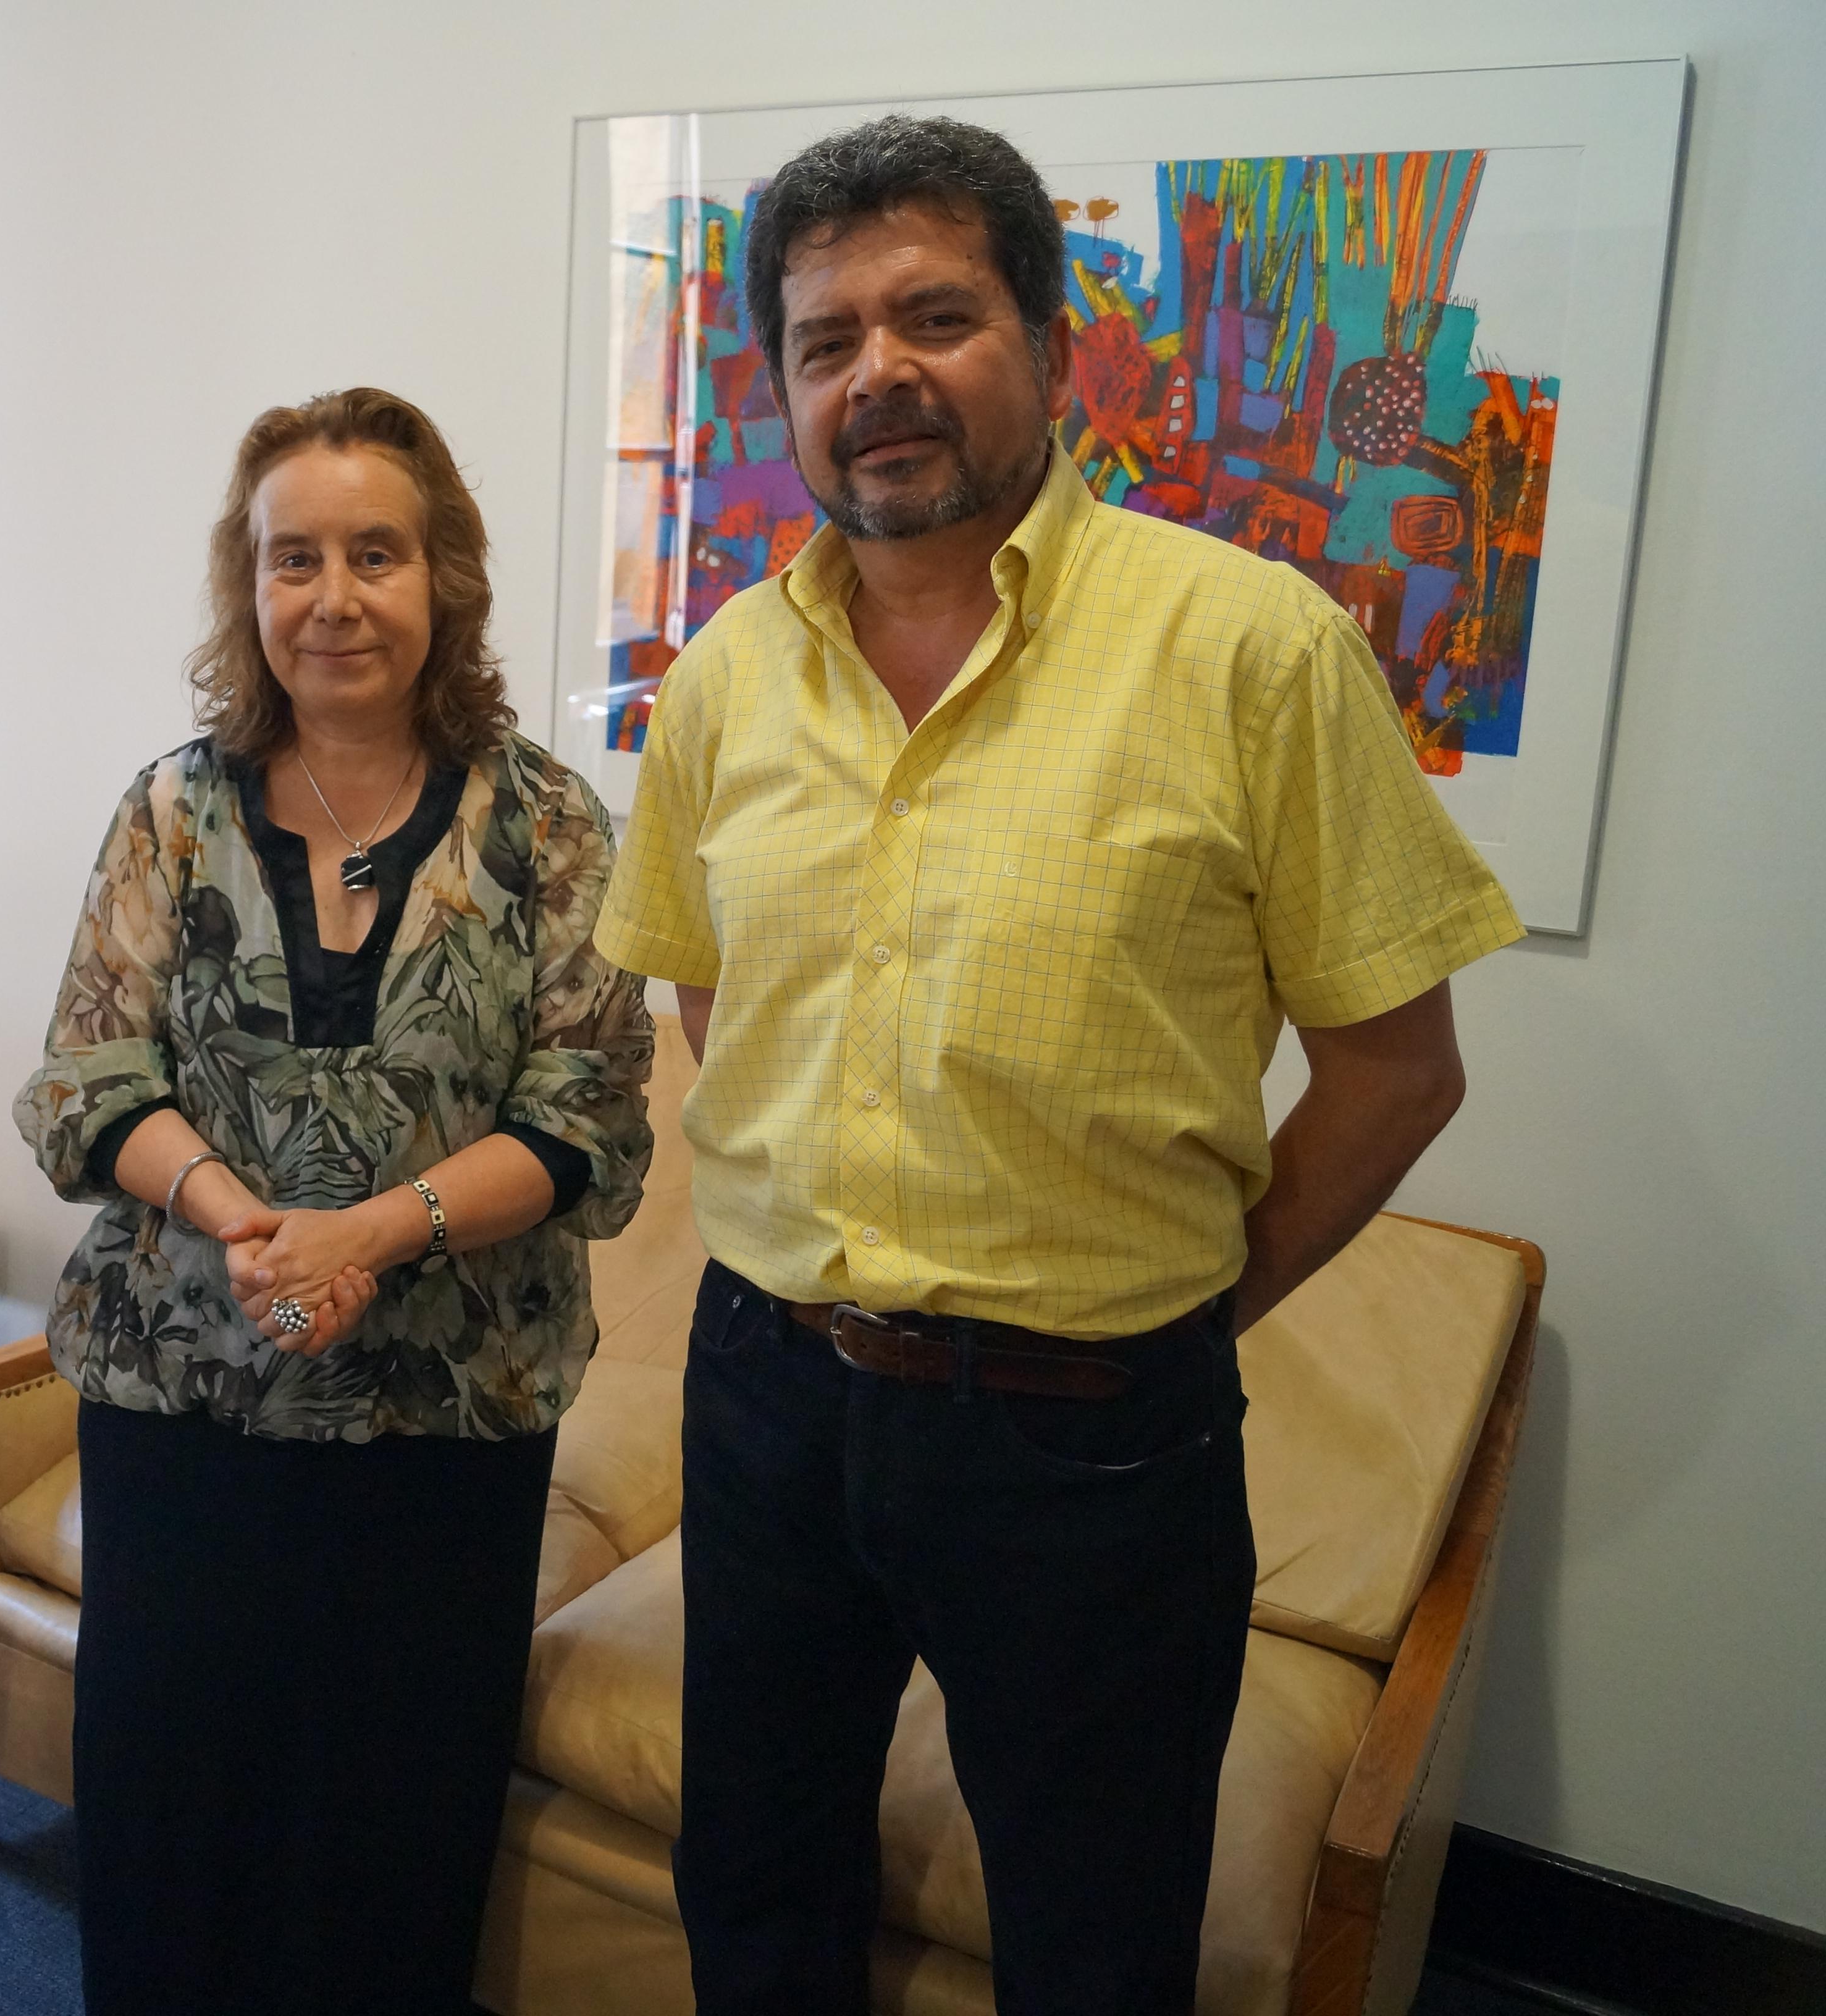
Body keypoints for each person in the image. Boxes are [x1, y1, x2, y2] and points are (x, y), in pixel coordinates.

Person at [594, 117, 1523, 2015]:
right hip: (768, 1390)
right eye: (830, 338)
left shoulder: (1250, 648)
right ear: (783, 388)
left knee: (1096, 1946)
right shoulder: (720, 683)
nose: (882, 375)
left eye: (936, 315)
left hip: (1095, 1438)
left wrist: (1193, 1296)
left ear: (1052, 340)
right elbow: (721, 1011)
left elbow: (1397, 1070)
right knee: (755, 1890)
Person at [15, 386, 655, 2016]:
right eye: (292, 557)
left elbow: (585, 1121)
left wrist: (372, 1233)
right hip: (183, 1403)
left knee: (392, 1831)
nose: (334, 596)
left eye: (377, 553)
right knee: (170, 1819)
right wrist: (242, 1217)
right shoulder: (173, 809)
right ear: (250, 584)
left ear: (444, 577)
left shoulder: (553, 827)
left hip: (449, 1419)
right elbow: (90, 1085)